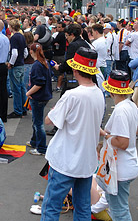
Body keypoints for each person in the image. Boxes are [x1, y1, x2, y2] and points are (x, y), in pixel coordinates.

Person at [41, 47, 104, 220]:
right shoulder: (99, 94)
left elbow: (49, 121)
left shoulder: (72, 95)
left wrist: (55, 109)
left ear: (75, 69)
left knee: (51, 206)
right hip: (86, 162)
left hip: (65, 160)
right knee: (83, 207)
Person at [101, 70, 138, 221]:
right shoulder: (130, 105)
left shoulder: (120, 110)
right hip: (128, 164)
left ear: (110, 90)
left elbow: (122, 143)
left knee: (119, 211)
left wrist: (107, 136)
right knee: (117, 207)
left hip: (120, 169)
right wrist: (128, 134)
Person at [26, 43, 52, 155]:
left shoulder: (37, 65)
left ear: (31, 52)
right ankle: (34, 141)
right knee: (36, 120)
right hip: (43, 95)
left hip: (38, 96)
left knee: (38, 123)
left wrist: (28, 92)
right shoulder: (44, 62)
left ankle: (41, 147)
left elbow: (39, 83)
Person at [7, 19, 28, 118]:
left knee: (15, 89)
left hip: (15, 66)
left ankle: (17, 110)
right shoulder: (22, 36)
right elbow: (25, 52)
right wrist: (21, 59)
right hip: (21, 64)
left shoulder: (14, 38)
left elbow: (14, 53)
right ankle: (24, 108)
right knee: (22, 87)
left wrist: (10, 63)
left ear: (11, 27)